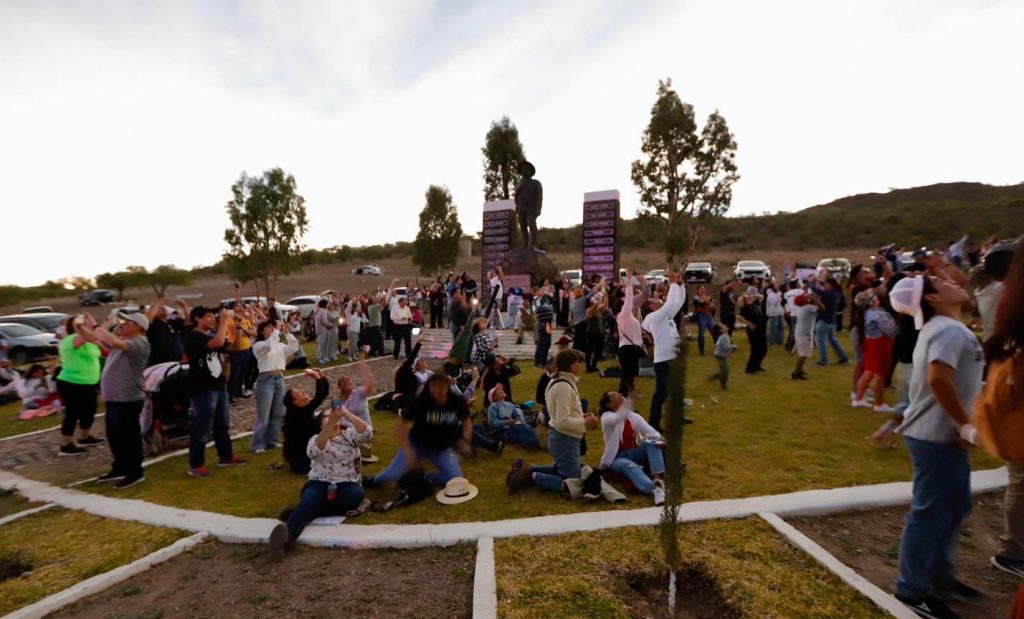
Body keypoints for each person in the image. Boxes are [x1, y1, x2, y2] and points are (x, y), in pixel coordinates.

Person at [888, 275, 985, 617]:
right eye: (940, 281)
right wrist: (965, 423)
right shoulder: (948, 330)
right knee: (929, 513)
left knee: (955, 507)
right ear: (930, 298)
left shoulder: (945, 329)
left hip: (936, 435)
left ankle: (937, 577)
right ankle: (912, 591)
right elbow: (938, 380)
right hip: (936, 436)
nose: (951, 280)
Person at [269, 399, 372, 559]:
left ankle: (300, 513)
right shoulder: (315, 439)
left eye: (332, 414)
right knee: (309, 501)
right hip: (319, 483)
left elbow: (367, 433)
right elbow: (314, 451)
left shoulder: (350, 435)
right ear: (320, 423)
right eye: (326, 415)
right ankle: (285, 539)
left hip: (347, 483)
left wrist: (347, 413)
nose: (331, 416)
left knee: (354, 496)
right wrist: (330, 423)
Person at [981, 240, 1024, 579]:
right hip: (1013, 390)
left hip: (1005, 379)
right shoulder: (1004, 297)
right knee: (1021, 478)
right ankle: (1013, 549)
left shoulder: (1001, 294)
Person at [506, 349, 599, 494]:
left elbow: (561, 412)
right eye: (579, 363)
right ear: (573, 366)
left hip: (561, 438)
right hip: (565, 438)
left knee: (562, 469)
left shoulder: (558, 381)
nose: (581, 366)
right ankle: (532, 476)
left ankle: (526, 470)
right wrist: (585, 422)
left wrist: (582, 415)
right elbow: (562, 421)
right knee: (572, 481)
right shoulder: (564, 386)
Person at [366, 373, 473, 488]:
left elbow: (467, 422)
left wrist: (465, 441)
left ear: (447, 386)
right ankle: (373, 480)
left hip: (441, 448)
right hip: (417, 444)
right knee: (392, 475)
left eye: (440, 387)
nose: (437, 391)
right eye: (433, 387)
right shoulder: (422, 401)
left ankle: (419, 478)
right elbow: (399, 423)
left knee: (456, 478)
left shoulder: (456, 401)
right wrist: (408, 451)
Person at [84, 311, 151, 489]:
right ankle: (120, 467)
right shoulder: (124, 343)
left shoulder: (140, 343)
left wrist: (97, 326)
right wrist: (83, 327)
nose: (121, 325)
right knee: (114, 435)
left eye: (126, 322)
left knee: (129, 437)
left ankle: (135, 472)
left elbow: (112, 340)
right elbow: (96, 340)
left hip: (128, 398)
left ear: (138, 326)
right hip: (114, 398)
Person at [185, 306, 247, 478]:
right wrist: (224, 321)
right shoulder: (193, 337)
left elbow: (236, 345)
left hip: (218, 386)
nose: (212, 319)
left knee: (222, 425)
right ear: (197, 319)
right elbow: (218, 343)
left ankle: (225, 456)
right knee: (202, 428)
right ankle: (196, 466)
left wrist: (238, 326)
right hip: (202, 388)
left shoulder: (210, 336)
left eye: (214, 316)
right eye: (209, 316)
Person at [597, 390, 665, 505]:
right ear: (609, 405)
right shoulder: (607, 417)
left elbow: (651, 432)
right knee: (629, 466)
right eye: (615, 396)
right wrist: (629, 402)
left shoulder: (633, 417)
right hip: (617, 458)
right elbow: (617, 418)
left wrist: (661, 440)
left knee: (652, 442)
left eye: (620, 394)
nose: (620, 395)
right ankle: (654, 489)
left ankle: (657, 479)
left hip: (634, 453)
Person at [641, 271, 687, 431]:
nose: (659, 299)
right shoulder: (653, 318)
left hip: (672, 358)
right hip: (663, 360)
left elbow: (678, 302)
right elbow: (669, 304)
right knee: (660, 394)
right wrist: (673, 282)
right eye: (655, 299)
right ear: (651, 306)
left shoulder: (665, 315)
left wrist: (680, 285)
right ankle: (653, 423)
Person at [55, 314, 103, 456]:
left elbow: (98, 338)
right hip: (71, 382)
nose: (86, 324)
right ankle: (66, 444)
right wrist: (87, 326)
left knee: (90, 410)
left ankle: (85, 436)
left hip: (87, 382)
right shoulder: (70, 339)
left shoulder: (88, 341)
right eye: (82, 323)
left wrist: (94, 323)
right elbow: (93, 336)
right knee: (73, 412)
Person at [250, 320, 300, 453]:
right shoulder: (259, 345)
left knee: (278, 413)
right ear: (261, 331)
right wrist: (277, 330)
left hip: (279, 378)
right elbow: (269, 345)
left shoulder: (278, 340)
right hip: (266, 380)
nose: (272, 329)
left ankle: (272, 441)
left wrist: (287, 333)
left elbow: (293, 347)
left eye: (273, 327)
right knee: (263, 414)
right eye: (268, 327)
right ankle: (257, 444)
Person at [851, 291, 898, 413]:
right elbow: (891, 331)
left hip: (870, 344)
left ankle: (858, 399)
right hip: (880, 345)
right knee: (879, 376)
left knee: (869, 372)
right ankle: (879, 404)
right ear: (872, 302)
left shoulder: (865, 313)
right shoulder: (878, 315)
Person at [282, 368, 330, 474]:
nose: (302, 391)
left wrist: (322, 378)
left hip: (307, 454)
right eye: (298, 393)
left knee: (327, 414)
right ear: (295, 402)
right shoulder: (297, 413)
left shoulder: (301, 410)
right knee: (327, 415)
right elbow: (318, 398)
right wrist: (317, 378)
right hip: (303, 462)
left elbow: (323, 394)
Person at [616, 273, 646, 397]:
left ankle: (626, 397)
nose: (630, 307)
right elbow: (628, 299)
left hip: (631, 349)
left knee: (630, 375)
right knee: (627, 375)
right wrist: (628, 281)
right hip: (627, 349)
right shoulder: (624, 315)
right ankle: (622, 397)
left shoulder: (629, 318)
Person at [485, 384, 540, 449]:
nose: (501, 390)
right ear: (494, 397)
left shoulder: (510, 405)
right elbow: (492, 423)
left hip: (513, 425)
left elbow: (518, 418)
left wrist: (517, 422)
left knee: (524, 426)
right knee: (520, 431)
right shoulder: (493, 406)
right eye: (498, 390)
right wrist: (506, 422)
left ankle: (535, 442)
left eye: (501, 389)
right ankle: (533, 444)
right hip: (503, 429)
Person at [810, 277, 849, 366]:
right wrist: (821, 282)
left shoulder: (828, 295)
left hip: (824, 321)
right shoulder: (836, 293)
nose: (825, 286)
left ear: (830, 285)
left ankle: (823, 360)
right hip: (832, 321)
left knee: (821, 341)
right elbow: (823, 291)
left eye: (826, 284)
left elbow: (816, 290)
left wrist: (811, 282)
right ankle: (843, 358)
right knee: (833, 341)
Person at [146, 297, 187, 366]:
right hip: (160, 362)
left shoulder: (172, 322)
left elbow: (189, 322)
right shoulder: (152, 324)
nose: (164, 308)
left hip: (177, 360)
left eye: (164, 307)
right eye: (160, 308)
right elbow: (147, 319)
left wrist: (184, 306)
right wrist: (159, 302)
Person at [790, 293, 822, 380]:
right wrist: (816, 300)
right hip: (804, 334)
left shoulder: (804, 307)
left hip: (801, 333)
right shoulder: (808, 308)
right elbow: (822, 309)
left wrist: (814, 299)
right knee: (804, 354)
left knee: (803, 353)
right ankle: (796, 372)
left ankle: (800, 369)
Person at [737, 288, 767, 375]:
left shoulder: (754, 305)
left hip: (761, 329)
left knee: (763, 349)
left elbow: (762, 297)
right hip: (753, 331)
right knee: (756, 349)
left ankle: (757, 365)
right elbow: (738, 317)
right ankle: (749, 368)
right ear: (745, 301)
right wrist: (749, 324)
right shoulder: (745, 308)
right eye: (747, 297)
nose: (750, 297)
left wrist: (754, 295)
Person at [584, 292, 609, 373]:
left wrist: (606, 297)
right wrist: (596, 302)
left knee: (598, 350)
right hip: (591, 333)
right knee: (589, 350)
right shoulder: (589, 310)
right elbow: (592, 310)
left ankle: (593, 366)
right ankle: (588, 367)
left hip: (599, 333)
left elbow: (605, 305)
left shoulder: (598, 309)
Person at [532, 286, 555, 368]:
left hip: (548, 323)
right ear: (535, 293)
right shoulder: (536, 300)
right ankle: (538, 363)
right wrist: (545, 293)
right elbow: (540, 304)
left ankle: (543, 362)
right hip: (542, 324)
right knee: (541, 343)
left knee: (547, 343)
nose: (540, 292)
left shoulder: (544, 299)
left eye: (541, 291)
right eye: (539, 291)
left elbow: (550, 302)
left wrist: (548, 294)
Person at [692, 285, 716, 355]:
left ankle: (719, 348)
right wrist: (706, 302)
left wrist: (711, 303)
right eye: (701, 289)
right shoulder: (696, 298)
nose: (702, 290)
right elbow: (697, 307)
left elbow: (713, 304)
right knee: (701, 333)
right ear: (698, 290)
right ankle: (701, 351)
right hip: (701, 316)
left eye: (703, 289)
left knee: (714, 331)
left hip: (708, 315)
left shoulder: (706, 297)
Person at [712, 322, 737, 389]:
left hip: (722, 355)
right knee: (725, 369)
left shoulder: (725, 336)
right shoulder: (724, 337)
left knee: (726, 368)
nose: (725, 325)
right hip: (720, 356)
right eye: (722, 325)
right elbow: (726, 347)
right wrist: (733, 346)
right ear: (721, 330)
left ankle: (719, 375)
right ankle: (723, 383)